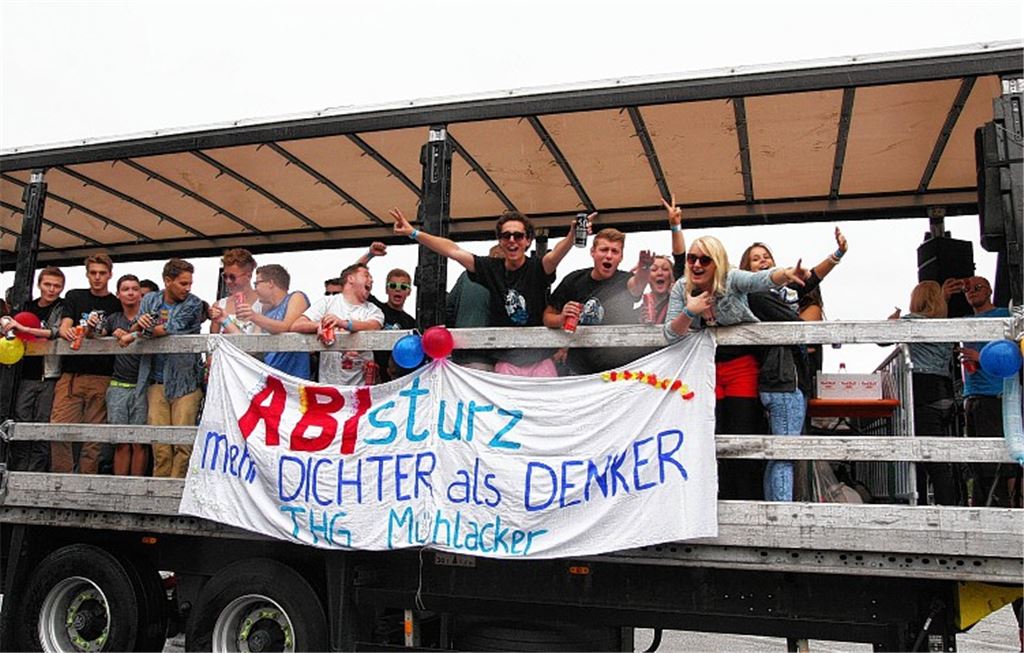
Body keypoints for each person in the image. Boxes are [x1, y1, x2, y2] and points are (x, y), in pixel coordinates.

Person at [664, 235, 805, 499]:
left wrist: (786, 273)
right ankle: (716, 502)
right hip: (706, 368)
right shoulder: (682, 287)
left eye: (704, 259)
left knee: (742, 432)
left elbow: (760, 280)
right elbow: (671, 333)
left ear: (716, 263)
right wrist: (691, 311)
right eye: (692, 258)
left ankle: (746, 504)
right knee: (712, 434)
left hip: (742, 365)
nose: (695, 264)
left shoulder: (731, 279)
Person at [390, 206, 589, 376]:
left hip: (540, 361)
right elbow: (452, 250)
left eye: (518, 235)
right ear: (500, 241)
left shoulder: (538, 267)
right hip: (506, 363)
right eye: (506, 235)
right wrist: (413, 233)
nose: (512, 240)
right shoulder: (491, 268)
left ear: (528, 241)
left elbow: (555, 255)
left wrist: (572, 236)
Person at [944, 275, 1017, 507]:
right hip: (972, 394)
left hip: (995, 394)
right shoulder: (965, 320)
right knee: (977, 459)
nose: (972, 291)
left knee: (998, 459)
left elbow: (1013, 352)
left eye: (978, 287)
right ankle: (983, 503)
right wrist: (944, 296)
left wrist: (981, 357)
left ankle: (1005, 504)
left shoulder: (1002, 316)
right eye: (968, 288)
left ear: (989, 291)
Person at [50, 254, 123, 474]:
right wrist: (68, 331)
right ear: (87, 274)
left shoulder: (116, 302)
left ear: (110, 274)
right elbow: (64, 326)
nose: (97, 277)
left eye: (102, 273)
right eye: (93, 273)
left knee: (93, 437)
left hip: (103, 375)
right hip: (72, 374)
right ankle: (61, 480)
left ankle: (85, 482)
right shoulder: (75, 296)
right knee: (58, 429)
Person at [887, 281, 958, 505]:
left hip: (922, 393)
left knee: (924, 457)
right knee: (937, 457)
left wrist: (891, 322)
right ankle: (946, 505)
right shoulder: (945, 326)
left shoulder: (911, 322)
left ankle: (930, 508)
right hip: (945, 393)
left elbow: (881, 339)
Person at [134, 258, 206, 478]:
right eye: (183, 283)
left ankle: (177, 496)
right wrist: (141, 326)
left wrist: (139, 328)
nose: (188, 288)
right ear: (167, 281)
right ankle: (160, 493)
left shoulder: (194, 303)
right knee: (160, 445)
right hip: (156, 381)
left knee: (183, 445)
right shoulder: (149, 299)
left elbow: (167, 328)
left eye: (189, 283)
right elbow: (144, 325)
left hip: (186, 383)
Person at [543, 228, 650, 375]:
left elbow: (638, 284)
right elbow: (547, 317)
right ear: (592, 252)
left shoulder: (625, 280)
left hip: (617, 369)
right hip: (578, 369)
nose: (608, 256)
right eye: (604, 250)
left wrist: (645, 268)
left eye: (614, 251)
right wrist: (561, 318)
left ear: (621, 257)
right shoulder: (574, 280)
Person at [1, 267, 65, 472]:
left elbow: (55, 331)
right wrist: (6, 322)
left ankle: (35, 475)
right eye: (48, 284)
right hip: (24, 375)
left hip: (49, 375)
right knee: (20, 423)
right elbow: (8, 320)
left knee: (42, 425)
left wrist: (25, 329)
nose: (52, 289)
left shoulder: (63, 307)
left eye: (57, 285)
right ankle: (18, 472)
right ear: (39, 284)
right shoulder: (26, 306)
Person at [292, 262, 384, 385]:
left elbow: (374, 325)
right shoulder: (327, 302)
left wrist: (343, 324)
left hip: (360, 390)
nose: (371, 280)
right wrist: (319, 325)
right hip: (330, 389)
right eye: (366, 276)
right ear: (350, 279)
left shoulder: (373, 309)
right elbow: (296, 325)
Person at [98, 275, 149, 476]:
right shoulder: (113, 319)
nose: (130, 292)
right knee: (120, 441)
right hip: (118, 385)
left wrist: (128, 333)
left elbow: (152, 330)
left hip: (144, 385)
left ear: (141, 294)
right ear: (118, 294)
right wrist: (97, 327)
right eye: (125, 289)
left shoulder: (148, 317)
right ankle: (121, 488)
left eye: (135, 289)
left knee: (139, 442)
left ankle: (135, 488)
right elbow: (97, 334)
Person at [357, 242, 418, 381]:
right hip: (371, 376)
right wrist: (370, 255)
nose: (398, 289)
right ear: (386, 289)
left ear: (408, 292)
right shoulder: (376, 308)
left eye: (403, 286)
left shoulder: (411, 322)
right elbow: (354, 279)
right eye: (393, 285)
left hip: (397, 378)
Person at [238, 264, 311, 380]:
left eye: (257, 284)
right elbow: (254, 346)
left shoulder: (296, 297)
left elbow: (286, 327)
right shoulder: (265, 310)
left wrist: (253, 316)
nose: (255, 289)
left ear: (270, 283)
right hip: (272, 379)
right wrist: (225, 320)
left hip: (294, 379)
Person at [447, 245, 504, 371]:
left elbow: (448, 309)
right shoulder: (502, 280)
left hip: (459, 356)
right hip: (488, 357)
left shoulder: (465, 276)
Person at [639, 196, 687, 325]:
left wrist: (675, 225)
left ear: (672, 277)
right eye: (654, 269)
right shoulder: (640, 309)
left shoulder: (679, 301)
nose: (660, 273)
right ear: (647, 277)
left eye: (665, 269)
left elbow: (680, 257)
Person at [209, 248, 261, 335]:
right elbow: (213, 340)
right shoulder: (219, 305)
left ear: (248, 276)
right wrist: (215, 321)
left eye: (232, 277)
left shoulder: (263, 304)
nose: (228, 281)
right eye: (225, 276)